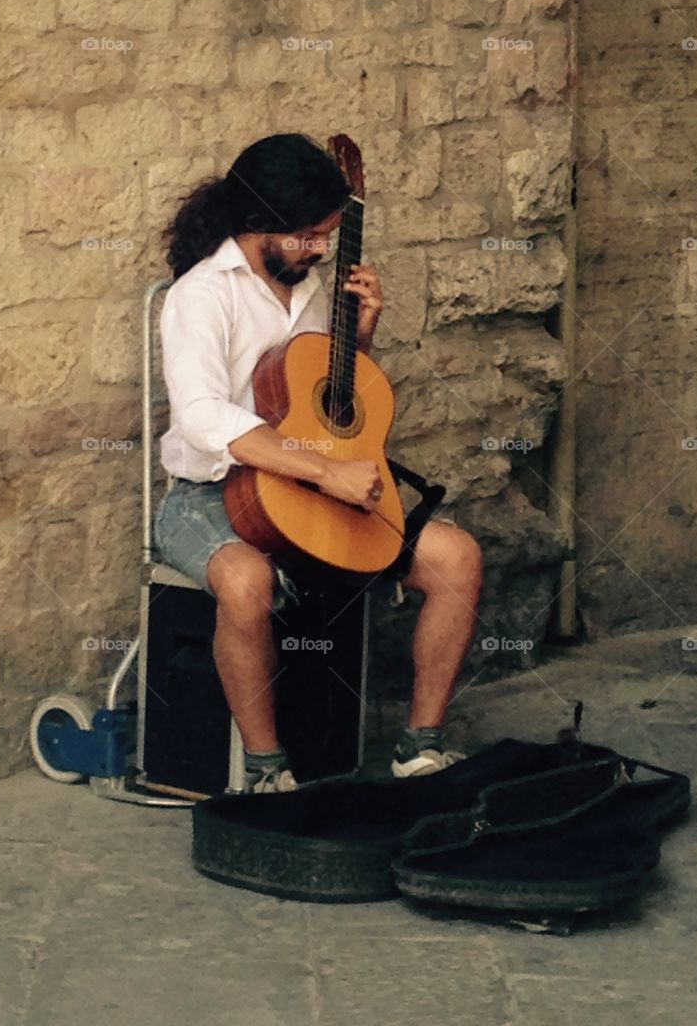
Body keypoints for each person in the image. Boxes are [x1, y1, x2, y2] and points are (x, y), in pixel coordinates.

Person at [153, 133, 482, 793]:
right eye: (309, 236)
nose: (321, 249)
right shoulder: (200, 296)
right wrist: (326, 472)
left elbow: (322, 399)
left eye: (329, 236)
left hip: (305, 493)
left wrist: (359, 337)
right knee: (247, 585)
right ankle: (266, 772)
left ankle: (420, 748)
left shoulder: (308, 286)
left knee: (456, 559)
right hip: (211, 497)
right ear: (260, 227)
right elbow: (202, 416)